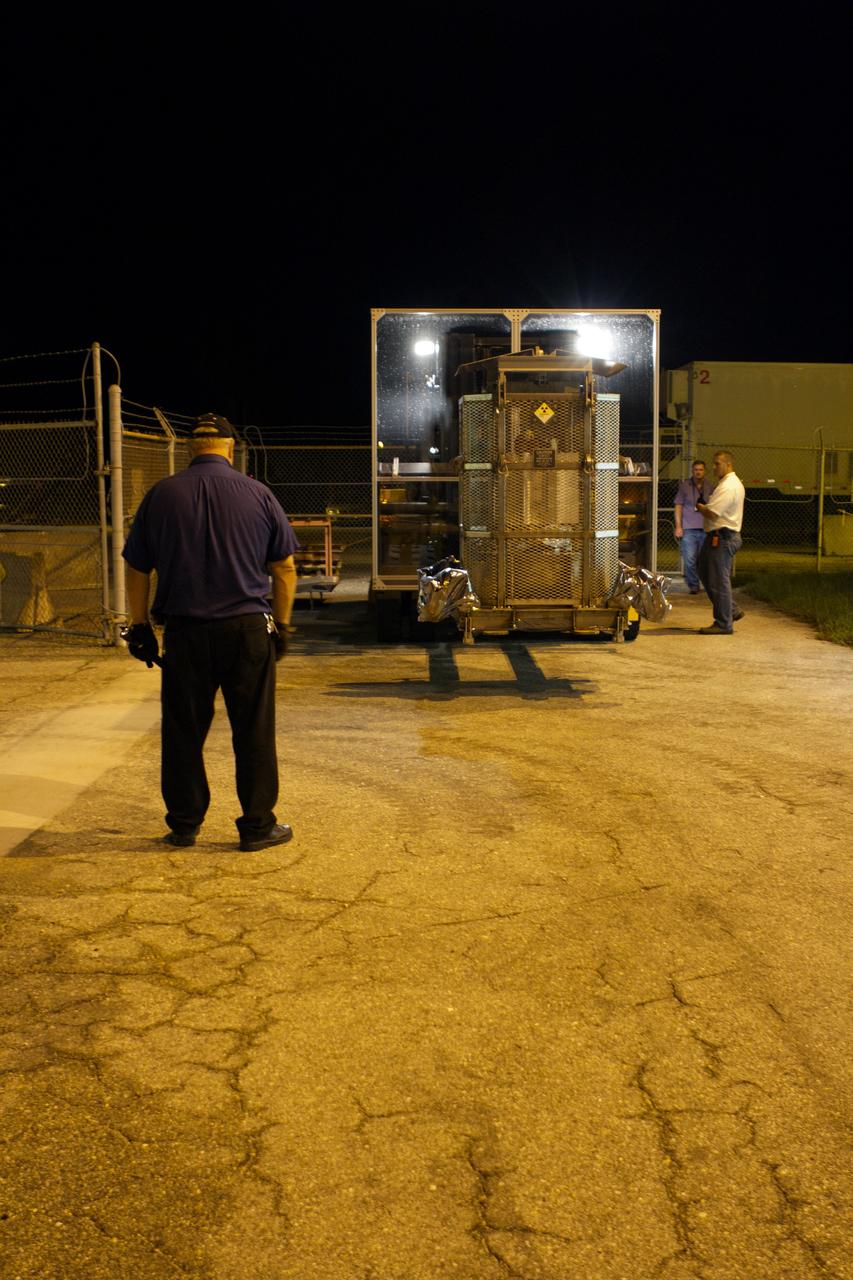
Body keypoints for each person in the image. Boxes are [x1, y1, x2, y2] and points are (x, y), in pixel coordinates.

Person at [122, 413, 300, 850]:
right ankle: (257, 827)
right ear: (229, 448)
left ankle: (184, 823)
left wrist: (140, 625)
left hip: (185, 632)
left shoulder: (161, 495)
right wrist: (283, 624)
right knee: (253, 729)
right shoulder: (257, 494)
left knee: (183, 730)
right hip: (245, 629)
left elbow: (137, 566)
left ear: (190, 448)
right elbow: (284, 567)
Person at [696, 450, 745, 635]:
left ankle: (724, 623)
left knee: (718, 580)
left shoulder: (729, 486)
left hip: (723, 537)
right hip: (718, 536)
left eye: (717, 464)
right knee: (704, 571)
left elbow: (713, 512)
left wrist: (700, 507)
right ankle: (730, 610)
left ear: (728, 464)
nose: (714, 467)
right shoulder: (726, 484)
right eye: (714, 463)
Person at [674, 459, 714, 593]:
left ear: (704, 471)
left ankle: (707, 585)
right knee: (689, 559)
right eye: (696, 470)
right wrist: (679, 526)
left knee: (704, 560)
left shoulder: (710, 486)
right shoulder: (685, 486)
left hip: (705, 528)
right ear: (692, 471)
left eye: (701, 470)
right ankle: (693, 585)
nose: (698, 472)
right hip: (689, 528)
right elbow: (678, 506)